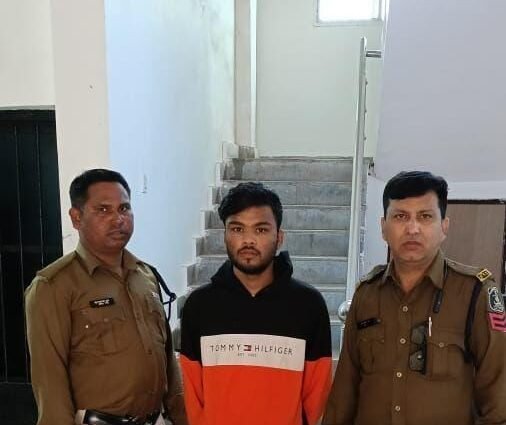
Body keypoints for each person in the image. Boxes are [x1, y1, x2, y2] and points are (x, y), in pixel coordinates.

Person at [323, 171, 506, 425]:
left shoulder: (475, 293)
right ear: (383, 228)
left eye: (425, 216)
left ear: (444, 227)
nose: (412, 228)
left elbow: (498, 402)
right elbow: (344, 395)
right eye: (400, 216)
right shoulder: (367, 294)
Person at [25, 169, 187, 425]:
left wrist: (182, 417)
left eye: (124, 208)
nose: (118, 219)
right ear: (76, 217)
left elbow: (167, 359)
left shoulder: (145, 276)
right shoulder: (54, 287)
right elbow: (50, 382)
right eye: (103, 210)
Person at [180, 182, 332, 425]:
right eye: (237, 229)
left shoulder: (308, 305)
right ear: (225, 235)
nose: (248, 240)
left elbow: (316, 393)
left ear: (279, 237)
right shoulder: (200, 306)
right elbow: (193, 393)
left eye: (260, 230)